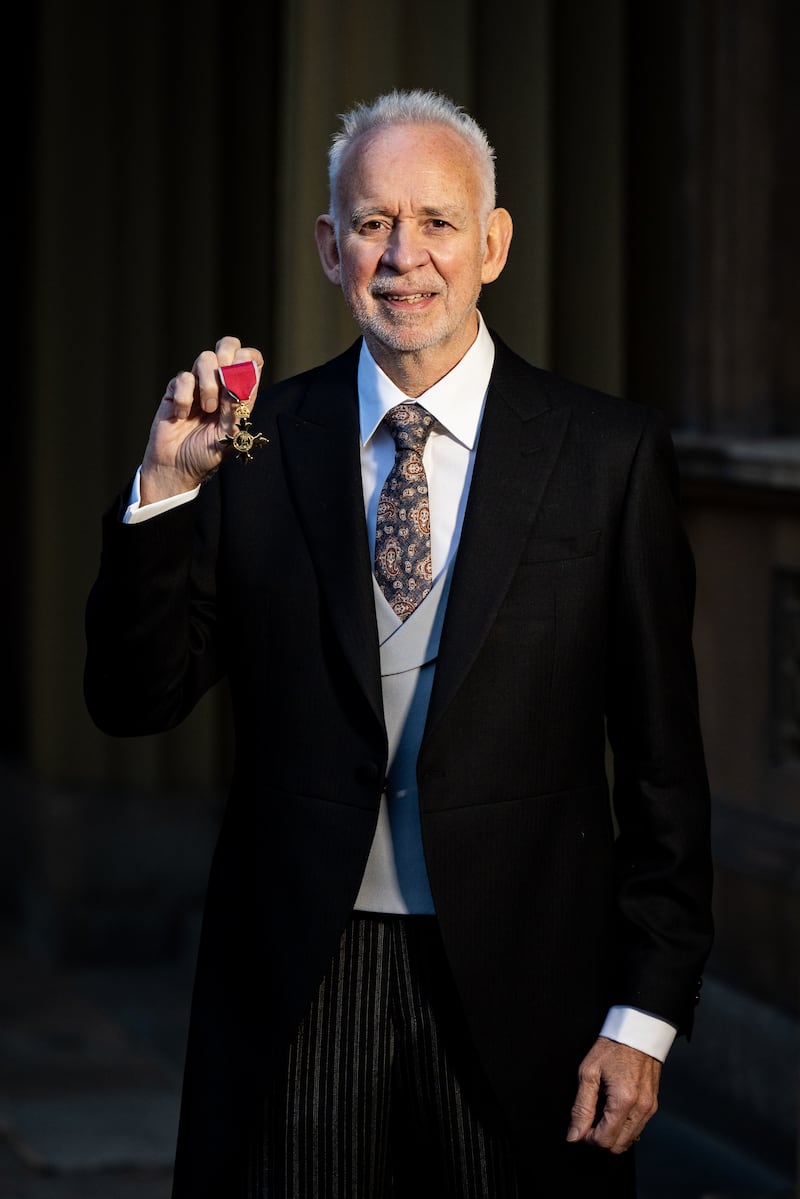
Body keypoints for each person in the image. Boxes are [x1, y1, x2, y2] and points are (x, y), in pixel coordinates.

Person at [84, 89, 714, 1198]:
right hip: (295, 985)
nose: (402, 256)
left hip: (530, 993)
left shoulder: (605, 455)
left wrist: (643, 1014)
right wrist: (164, 494)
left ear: (492, 242)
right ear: (330, 248)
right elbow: (134, 699)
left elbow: (664, 769)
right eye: (372, 222)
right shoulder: (253, 446)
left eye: (434, 221)